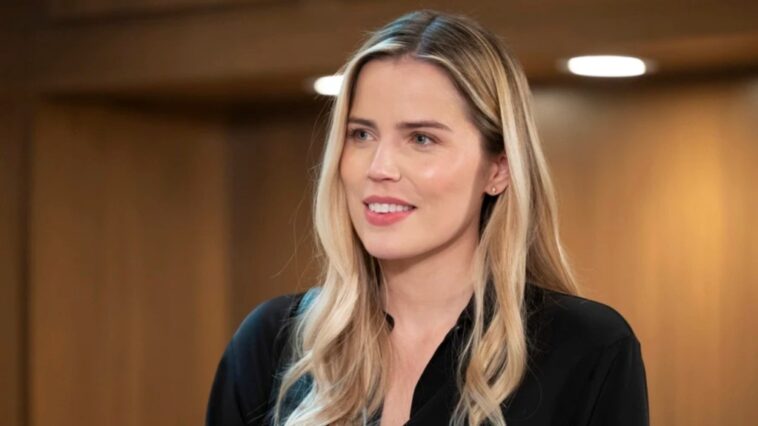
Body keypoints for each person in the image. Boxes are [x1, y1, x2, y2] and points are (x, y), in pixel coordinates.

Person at [205, 9, 649, 426]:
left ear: (498, 169)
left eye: (421, 138)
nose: (379, 167)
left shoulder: (587, 348)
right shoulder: (272, 343)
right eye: (361, 134)